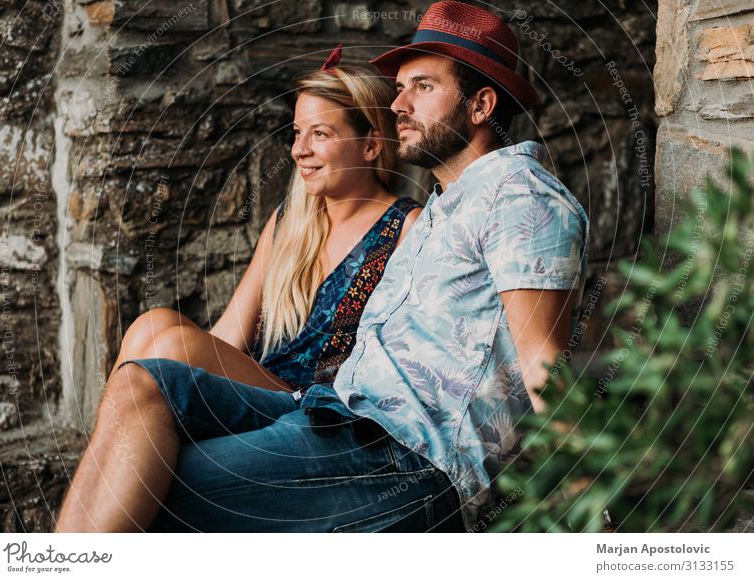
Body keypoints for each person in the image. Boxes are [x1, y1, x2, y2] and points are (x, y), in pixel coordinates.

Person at [58, 1, 590, 533]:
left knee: (143, 484)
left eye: (422, 87)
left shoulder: (521, 198)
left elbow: (544, 360)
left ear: (481, 106)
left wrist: (591, 507)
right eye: (400, 88)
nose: (398, 103)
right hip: (332, 416)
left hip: (403, 459)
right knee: (140, 387)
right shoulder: (442, 209)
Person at [55, 56, 422, 531]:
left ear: (372, 144)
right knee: (153, 326)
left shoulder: (406, 229)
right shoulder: (290, 223)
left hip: (314, 408)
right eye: (295, 133)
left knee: (168, 344)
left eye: (319, 135)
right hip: (260, 390)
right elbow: (228, 336)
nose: (298, 151)